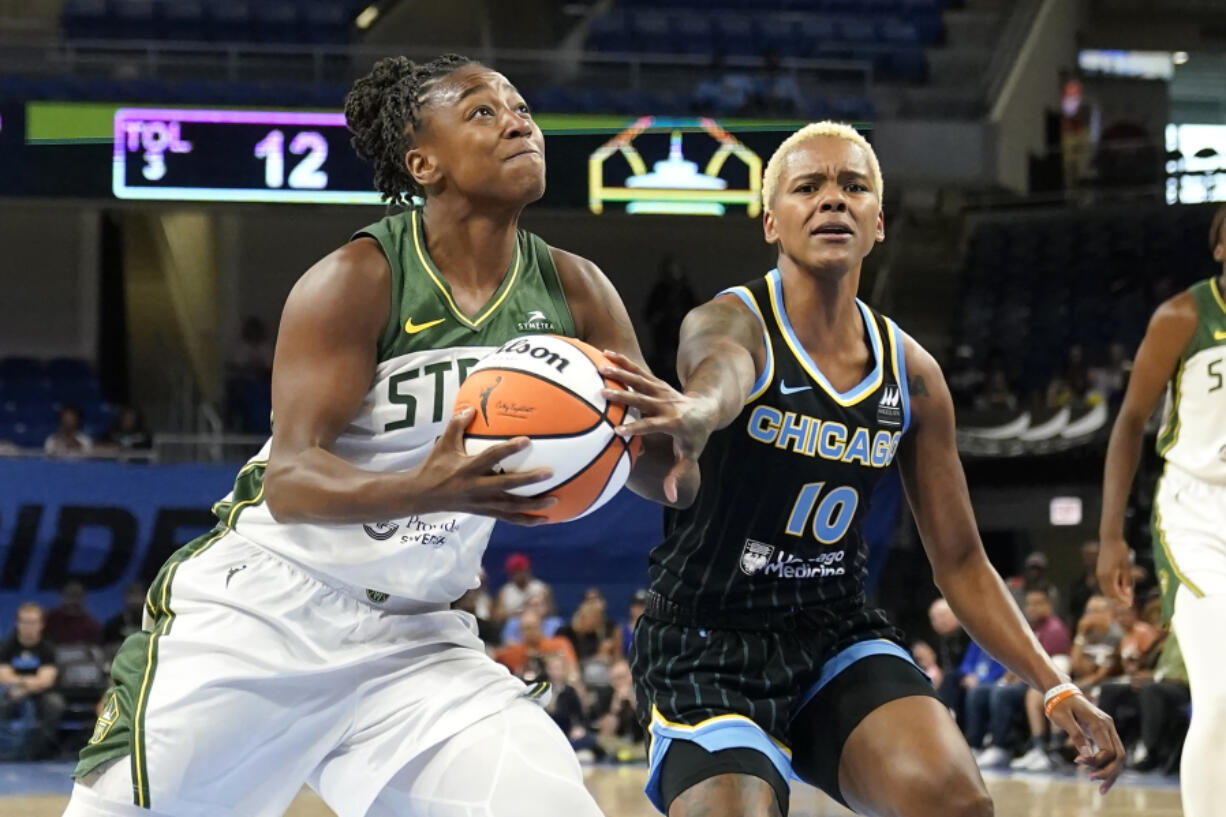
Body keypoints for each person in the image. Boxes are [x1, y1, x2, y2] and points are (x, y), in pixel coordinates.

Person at [67, 53, 700, 817]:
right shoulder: (357, 278)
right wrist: (423, 486)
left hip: (418, 636)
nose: (517, 121)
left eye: (522, 108)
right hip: (266, 615)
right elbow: (292, 482)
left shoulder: (577, 290)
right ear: (421, 160)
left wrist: (677, 436)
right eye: (481, 110)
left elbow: (664, 474)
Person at [602, 121, 1123, 817]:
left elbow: (964, 560)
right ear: (771, 221)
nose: (832, 201)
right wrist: (699, 410)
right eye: (808, 187)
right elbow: (720, 369)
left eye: (853, 186)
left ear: (879, 221)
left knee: (957, 803)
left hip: (834, 631)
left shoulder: (912, 373)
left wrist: (1053, 684)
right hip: (707, 641)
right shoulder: (730, 320)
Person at [1099, 204, 1226, 817]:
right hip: (1196, 513)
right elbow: (1128, 424)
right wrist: (1110, 538)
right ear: (1219, 248)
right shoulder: (1183, 317)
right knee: (1221, 692)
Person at [0, 603, 65, 760]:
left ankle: (37, 750)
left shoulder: (47, 649)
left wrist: (23, 688)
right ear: (18, 623)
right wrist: (27, 682)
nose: (28, 626)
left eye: (33, 622)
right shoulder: (7, 646)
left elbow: (46, 680)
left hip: (41, 695)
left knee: (55, 704)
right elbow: (3, 676)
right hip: (10, 692)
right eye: (25, 622)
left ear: (41, 624)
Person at [494, 552, 551, 623]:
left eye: (519, 571)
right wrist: (518, 613)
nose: (517, 575)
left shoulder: (541, 588)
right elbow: (497, 617)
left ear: (526, 570)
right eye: (513, 572)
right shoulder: (505, 591)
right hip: (513, 625)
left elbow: (550, 612)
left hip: (539, 624)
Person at [44, 581, 103, 646]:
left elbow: (95, 648)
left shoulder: (91, 625)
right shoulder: (49, 619)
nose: (72, 606)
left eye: (75, 603)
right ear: (62, 598)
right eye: (70, 599)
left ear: (83, 601)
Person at [1067, 540, 1101, 622]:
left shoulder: (1112, 582)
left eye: (1094, 555)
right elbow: (1072, 610)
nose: (1091, 558)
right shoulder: (1077, 583)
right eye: (1088, 555)